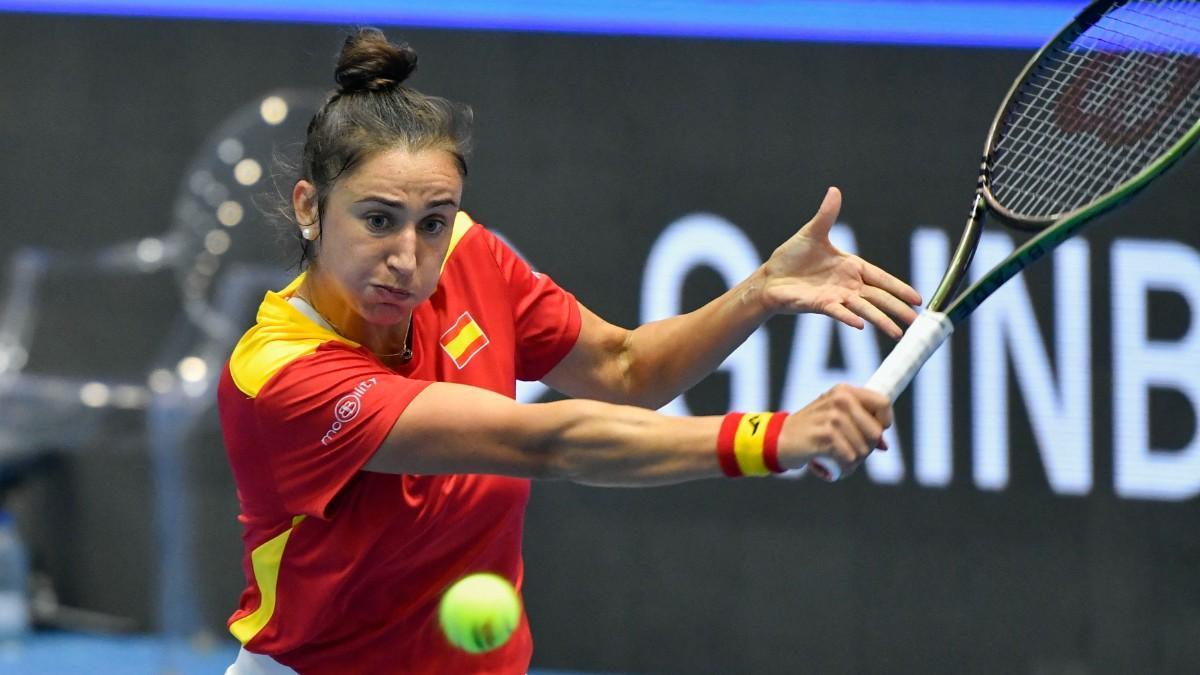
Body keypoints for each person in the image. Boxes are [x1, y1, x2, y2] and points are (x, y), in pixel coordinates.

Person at [218, 27, 921, 675]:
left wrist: (760, 290)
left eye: (432, 222)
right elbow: (548, 442)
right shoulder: (282, 374)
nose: (408, 256)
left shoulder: (471, 258)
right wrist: (774, 436)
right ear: (310, 207)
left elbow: (625, 368)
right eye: (377, 219)